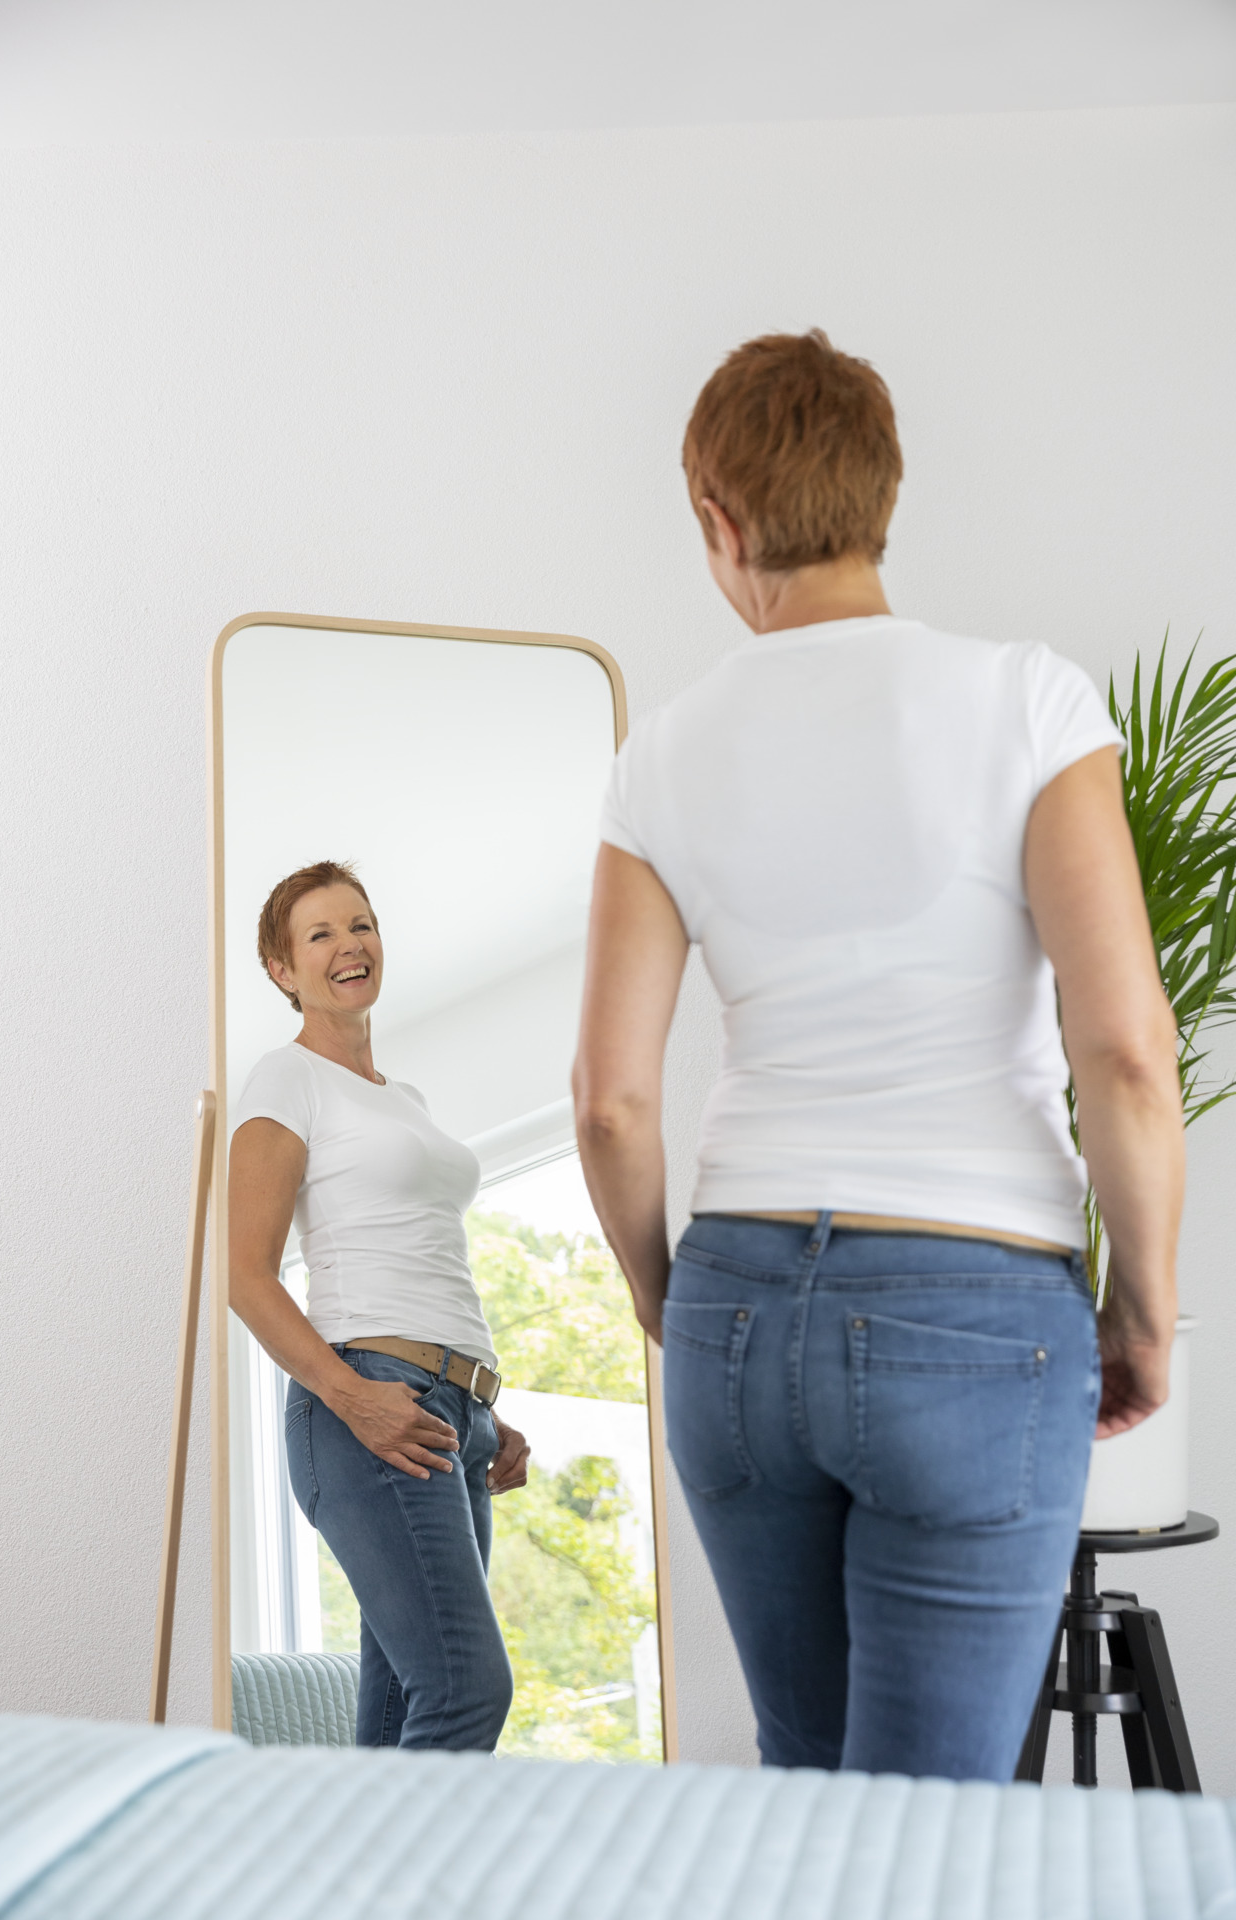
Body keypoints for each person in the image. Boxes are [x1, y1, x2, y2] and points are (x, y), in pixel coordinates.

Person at [572, 330, 1183, 1782]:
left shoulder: (661, 753)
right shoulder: (1029, 703)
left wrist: (676, 1303)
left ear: (718, 521)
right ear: (883, 492)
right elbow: (1125, 1054)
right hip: (973, 1310)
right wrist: (1143, 1311)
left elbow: (610, 1102)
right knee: (938, 1826)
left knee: (813, 1796)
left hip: (738, 1309)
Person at [228, 859, 529, 1750]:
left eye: (360, 925)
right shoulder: (285, 1080)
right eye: (319, 934)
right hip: (365, 1397)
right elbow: (247, 1275)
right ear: (284, 972)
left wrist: (485, 1410)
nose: (348, 945)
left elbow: (426, 1261)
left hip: (450, 1413)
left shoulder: (406, 1100)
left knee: (405, 1705)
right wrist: (350, 1395)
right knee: (467, 1690)